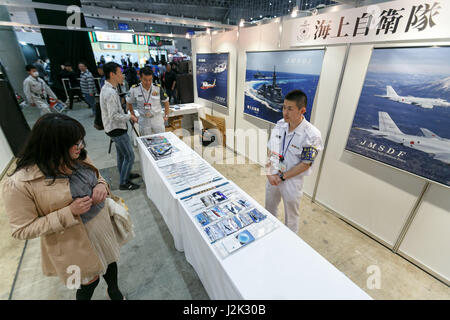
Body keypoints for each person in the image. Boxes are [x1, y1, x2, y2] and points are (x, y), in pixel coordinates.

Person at [2, 113, 126, 300]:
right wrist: (68, 212)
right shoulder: (20, 183)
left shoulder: (77, 156)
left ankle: (114, 291)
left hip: (101, 225)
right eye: (75, 143)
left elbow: (96, 175)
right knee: (88, 283)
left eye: (81, 141)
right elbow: (22, 229)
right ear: (53, 146)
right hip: (72, 241)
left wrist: (101, 185)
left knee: (110, 261)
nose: (81, 147)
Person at [265, 90, 323, 233]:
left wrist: (283, 177)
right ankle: (269, 233)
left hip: (291, 181)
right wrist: (269, 172)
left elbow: (306, 164)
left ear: (302, 110)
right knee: (269, 208)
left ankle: (290, 245)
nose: (285, 112)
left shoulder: (312, 135)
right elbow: (270, 149)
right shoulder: (280, 124)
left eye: (290, 109)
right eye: (284, 107)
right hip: (273, 175)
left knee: (291, 217)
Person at [100, 62, 140, 191]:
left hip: (112, 128)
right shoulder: (110, 92)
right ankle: (124, 182)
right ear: (112, 74)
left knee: (122, 155)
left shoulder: (108, 89)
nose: (122, 75)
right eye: (120, 73)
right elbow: (114, 116)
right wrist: (130, 116)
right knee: (130, 156)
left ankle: (125, 174)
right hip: (116, 129)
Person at [126, 66, 170, 136]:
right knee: (146, 142)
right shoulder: (134, 89)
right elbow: (128, 102)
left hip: (157, 119)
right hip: (144, 120)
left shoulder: (157, 88)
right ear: (140, 78)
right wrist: (133, 115)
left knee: (161, 139)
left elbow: (166, 101)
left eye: (150, 80)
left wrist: (166, 115)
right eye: (145, 80)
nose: (148, 82)